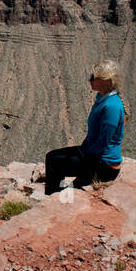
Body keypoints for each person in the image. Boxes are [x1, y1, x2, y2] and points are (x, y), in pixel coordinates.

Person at [45, 60, 126, 195]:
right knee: (53, 156)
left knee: (54, 161)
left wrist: (84, 154)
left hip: (105, 165)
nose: (90, 80)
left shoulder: (111, 106)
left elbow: (103, 141)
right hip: (95, 155)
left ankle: (52, 197)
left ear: (105, 81)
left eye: (93, 78)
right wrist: (82, 149)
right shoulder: (102, 97)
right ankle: (56, 193)